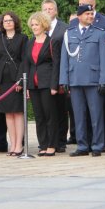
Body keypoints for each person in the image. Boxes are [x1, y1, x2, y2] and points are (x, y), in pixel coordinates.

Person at [60, 4, 105, 157]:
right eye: (87, 14)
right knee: (78, 115)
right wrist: (64, 80)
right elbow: (65, 59)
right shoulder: (69, 34)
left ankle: (97, 145)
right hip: (75, 79)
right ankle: (82, 145)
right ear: (79, 16)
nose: (90, 16)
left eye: (91, 13)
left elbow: (104, 59)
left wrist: (104, 80)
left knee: (96, 115)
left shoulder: (99, 34)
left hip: (93, 79)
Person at [24, 12, 61, 157]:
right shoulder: (29, 42)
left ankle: (52, 144)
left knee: (50, 115)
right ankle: (43, 144)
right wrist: (27, 86)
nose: (34, 27)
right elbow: (26, 63)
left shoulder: (52, 41)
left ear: (44, 25)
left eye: (36, 24)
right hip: (33, 84)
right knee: (39, 116)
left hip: (47, 83)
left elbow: (56, 64)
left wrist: (54, 85)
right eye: (32, 25)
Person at [0, 12, 26, 156]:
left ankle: (19, 145)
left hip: (15, 81)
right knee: (8, 114)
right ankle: (12, 144)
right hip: (2, 81)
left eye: (10, 20)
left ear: (15, 22)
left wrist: (20, 81)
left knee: (17, 113)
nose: (8, 23)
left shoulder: (22, 38)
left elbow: (24, 61)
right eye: (5, 21)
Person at [42, 0, 69, 152]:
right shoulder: (38, 28)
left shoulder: (64, 28)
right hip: (44, 75)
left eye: (50, 9)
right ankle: (48, 140)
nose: (48, 11)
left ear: (56, 11)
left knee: (60, 108)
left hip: (60, 73)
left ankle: (61, 140)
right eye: (45, 9)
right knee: (47, 110)